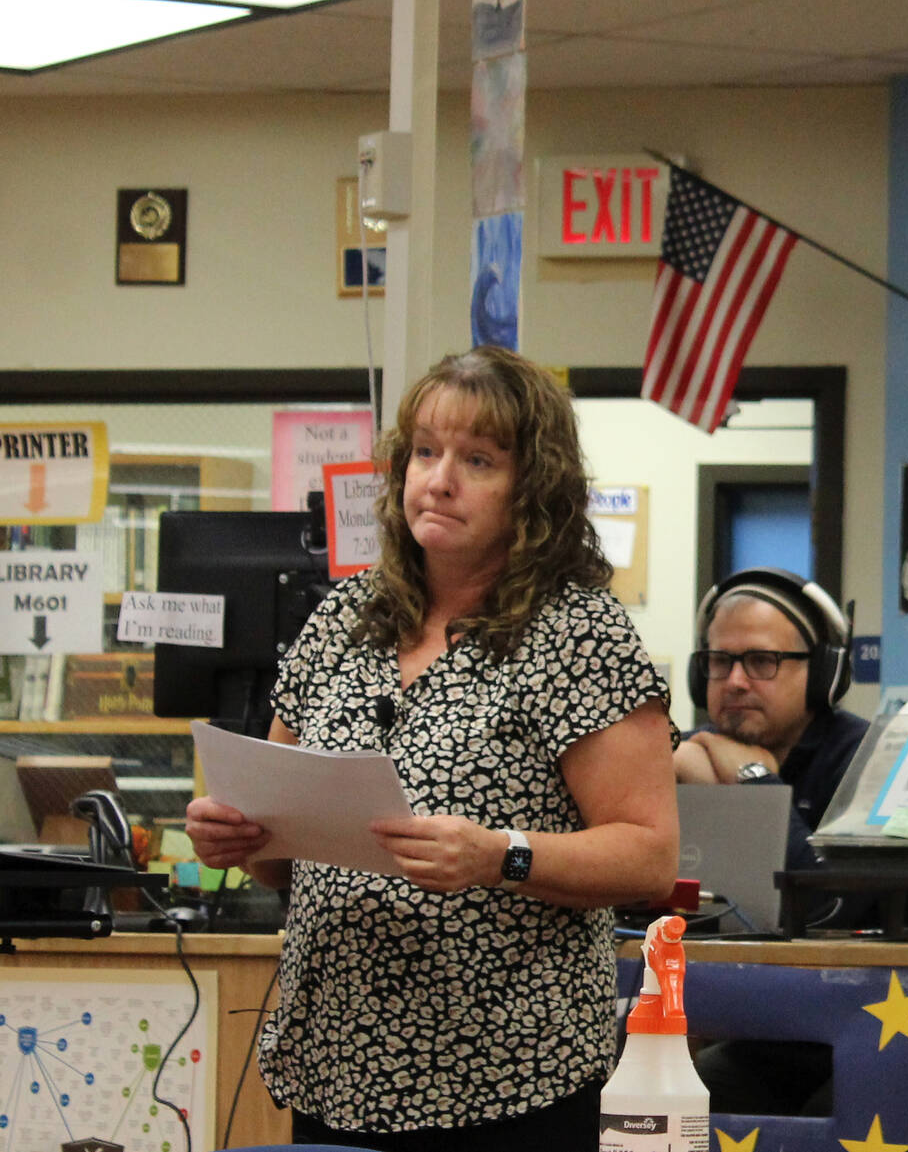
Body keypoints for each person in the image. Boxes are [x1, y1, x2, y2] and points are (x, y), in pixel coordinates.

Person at [184, 346, 680, 1152]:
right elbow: (280, 841)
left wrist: (501, 855)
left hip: (510, 1076)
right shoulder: (343, 618)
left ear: (533, 488)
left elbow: (649, 856)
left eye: (477, 459)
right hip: (338, 1063)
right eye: (424, 451)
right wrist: (238, 838)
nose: (439, 478)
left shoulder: (577, 633)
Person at [675, 568, 908, 1118]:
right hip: (777, 1025)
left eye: (761, 662)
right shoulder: (695, 754)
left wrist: (757, 785)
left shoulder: (877, 759)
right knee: (685, 1103)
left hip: (897, 1024)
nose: (735, 680)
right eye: (719, 661)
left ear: (825, 673)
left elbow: (828, 905)